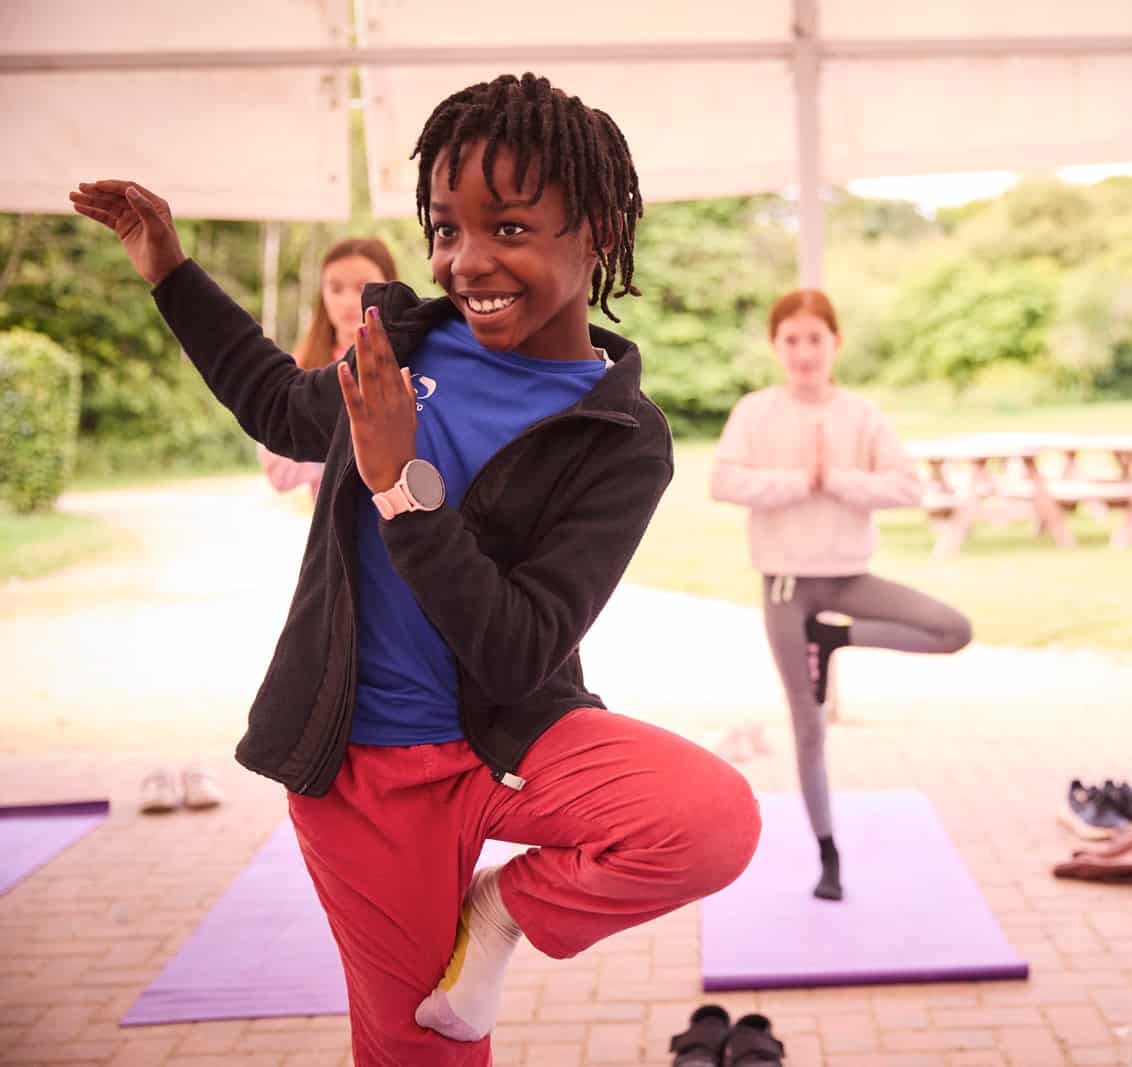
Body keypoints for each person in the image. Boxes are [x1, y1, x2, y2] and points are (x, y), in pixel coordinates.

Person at [71, 71, 760, 1065]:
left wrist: (399, 486)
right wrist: (169, 267)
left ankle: (503, 910)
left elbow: (519, 646)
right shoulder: (402, 345)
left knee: (709, 820)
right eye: (445, 228)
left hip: (509, 735)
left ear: (599, 229)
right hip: (364, 772)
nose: (466, 260)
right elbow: (274, 401)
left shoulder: (622, 434)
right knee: (424, 1052)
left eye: (510, 229)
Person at [710, 290, 972, 902]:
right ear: (776, 347)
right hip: (785, 587)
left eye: (815, 339)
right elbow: (724, 481)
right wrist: (802, 481)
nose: (803, 352)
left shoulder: (861, 415)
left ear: (836, 344)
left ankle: (837, 639)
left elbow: (908, 487)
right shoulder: (756, 411)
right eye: (791, 340)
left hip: (850, 578)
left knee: (952, 629)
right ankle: (828, 855)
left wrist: (839, 480)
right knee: (808, 728)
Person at [259, 238, 399, 500]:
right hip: (331, 529)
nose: (347, 301)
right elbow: (278, 471)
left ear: (390, 287)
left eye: (361, 288)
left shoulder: (413, 359)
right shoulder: (300, 365)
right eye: (335, 289)